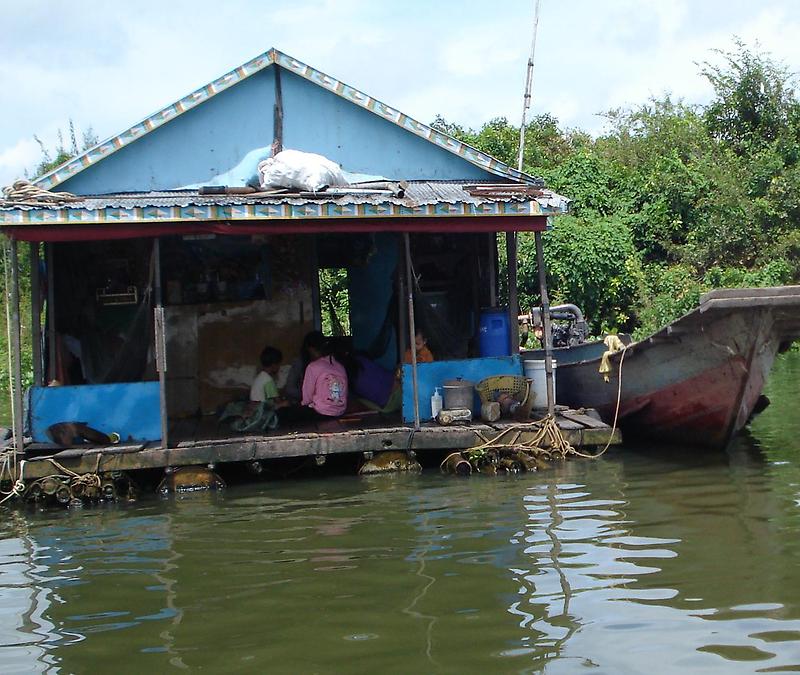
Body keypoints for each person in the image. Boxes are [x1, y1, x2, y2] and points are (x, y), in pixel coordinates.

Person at [278, 333, 348, 425]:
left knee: (282, 414)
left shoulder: (313, 366)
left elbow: (307, 399)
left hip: (321, 413)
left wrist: (299, 407)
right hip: (340, 412)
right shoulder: (340, 366)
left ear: (310, 350)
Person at [220, 345, 286, 432]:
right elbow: (277, 400)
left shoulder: (260, 376)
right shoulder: (268, 380)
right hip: (259, 411)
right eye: (279, 365)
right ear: (274, 365)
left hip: (253, 407)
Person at [282, 330, 324, 403]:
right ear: (309, 349)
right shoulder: (300, 363)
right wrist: (307, 395)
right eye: (315, 350)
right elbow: (290, 389)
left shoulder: (328, 362)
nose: (317, 354)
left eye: (319, 350)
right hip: (303, 402)